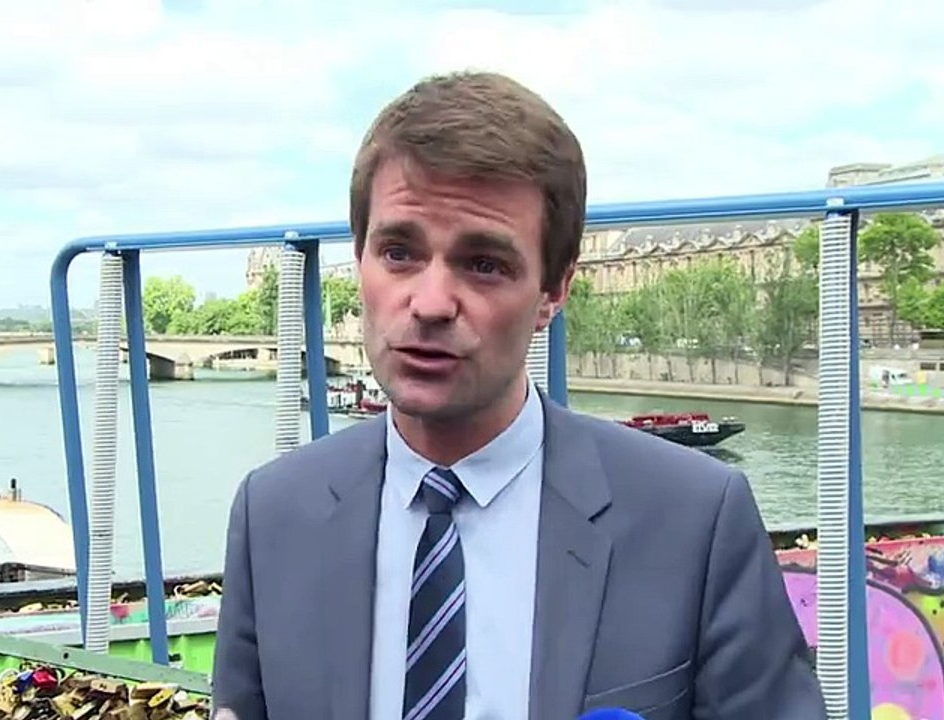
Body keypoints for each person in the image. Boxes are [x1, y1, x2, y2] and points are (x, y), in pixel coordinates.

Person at [210, 71, 825, 720]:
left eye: (483, 264)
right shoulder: (272, 514)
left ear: (555, 291)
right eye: (398, 252)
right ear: (359, 256)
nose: (430, 303)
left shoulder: (696, 521)